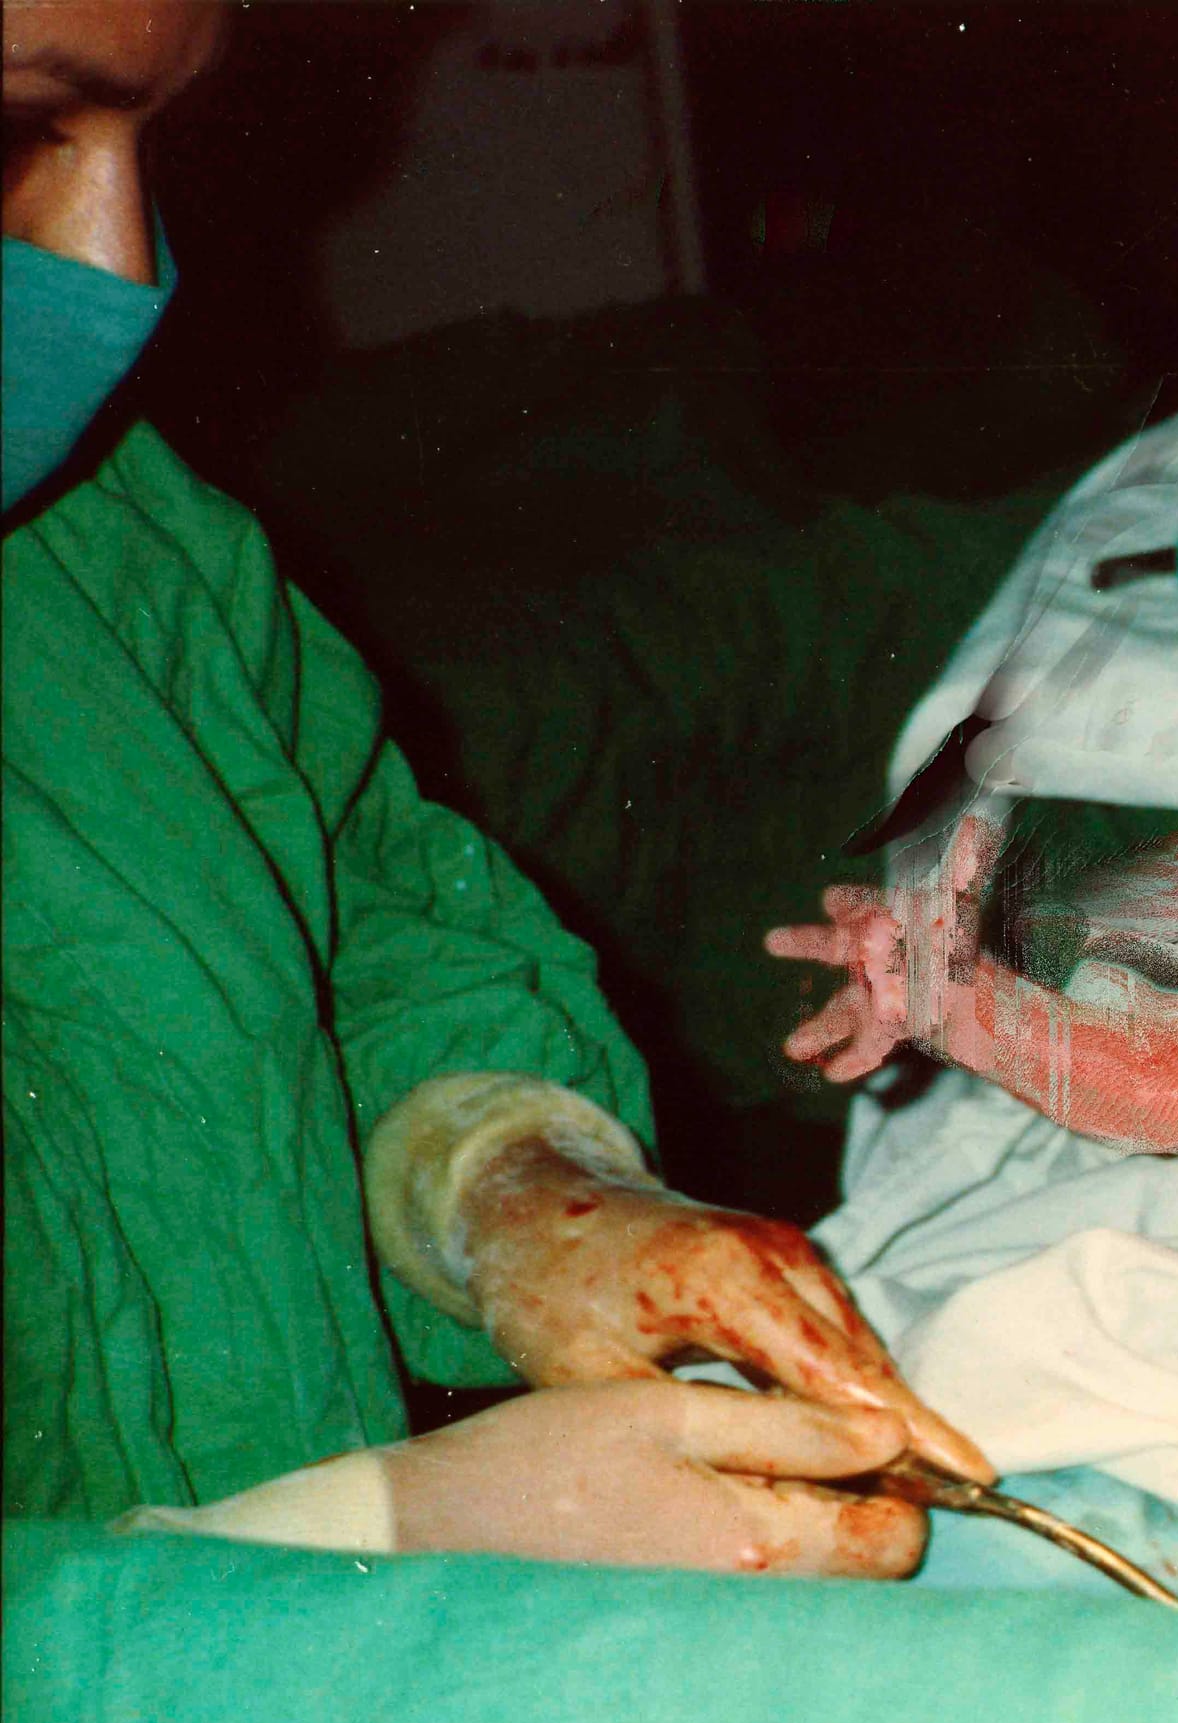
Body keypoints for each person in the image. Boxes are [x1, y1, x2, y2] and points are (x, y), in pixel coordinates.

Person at [5, 0, 987, 1574]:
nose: (117, 268)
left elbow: (368, 912)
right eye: (12, 132)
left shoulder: (100, 531)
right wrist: (363, 1529)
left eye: (152, 139)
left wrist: (515, 1184)